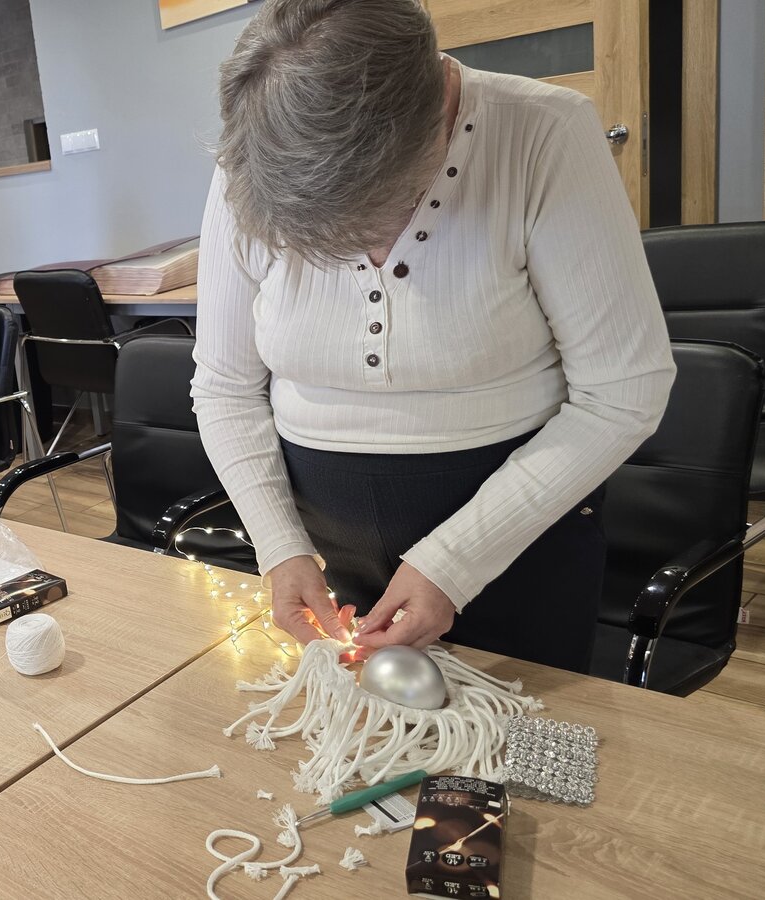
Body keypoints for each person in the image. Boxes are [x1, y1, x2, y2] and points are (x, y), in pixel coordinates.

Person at [191, 0, 674, 673]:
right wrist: (279, 546)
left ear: (432, 124)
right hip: (320, 548)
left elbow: (623, 392)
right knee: (350, 729)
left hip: (516, 542)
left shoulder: (544, 132)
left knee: (523, 733)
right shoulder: (257, 159)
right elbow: (225, 386)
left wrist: (455, 561)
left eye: (364, 217)